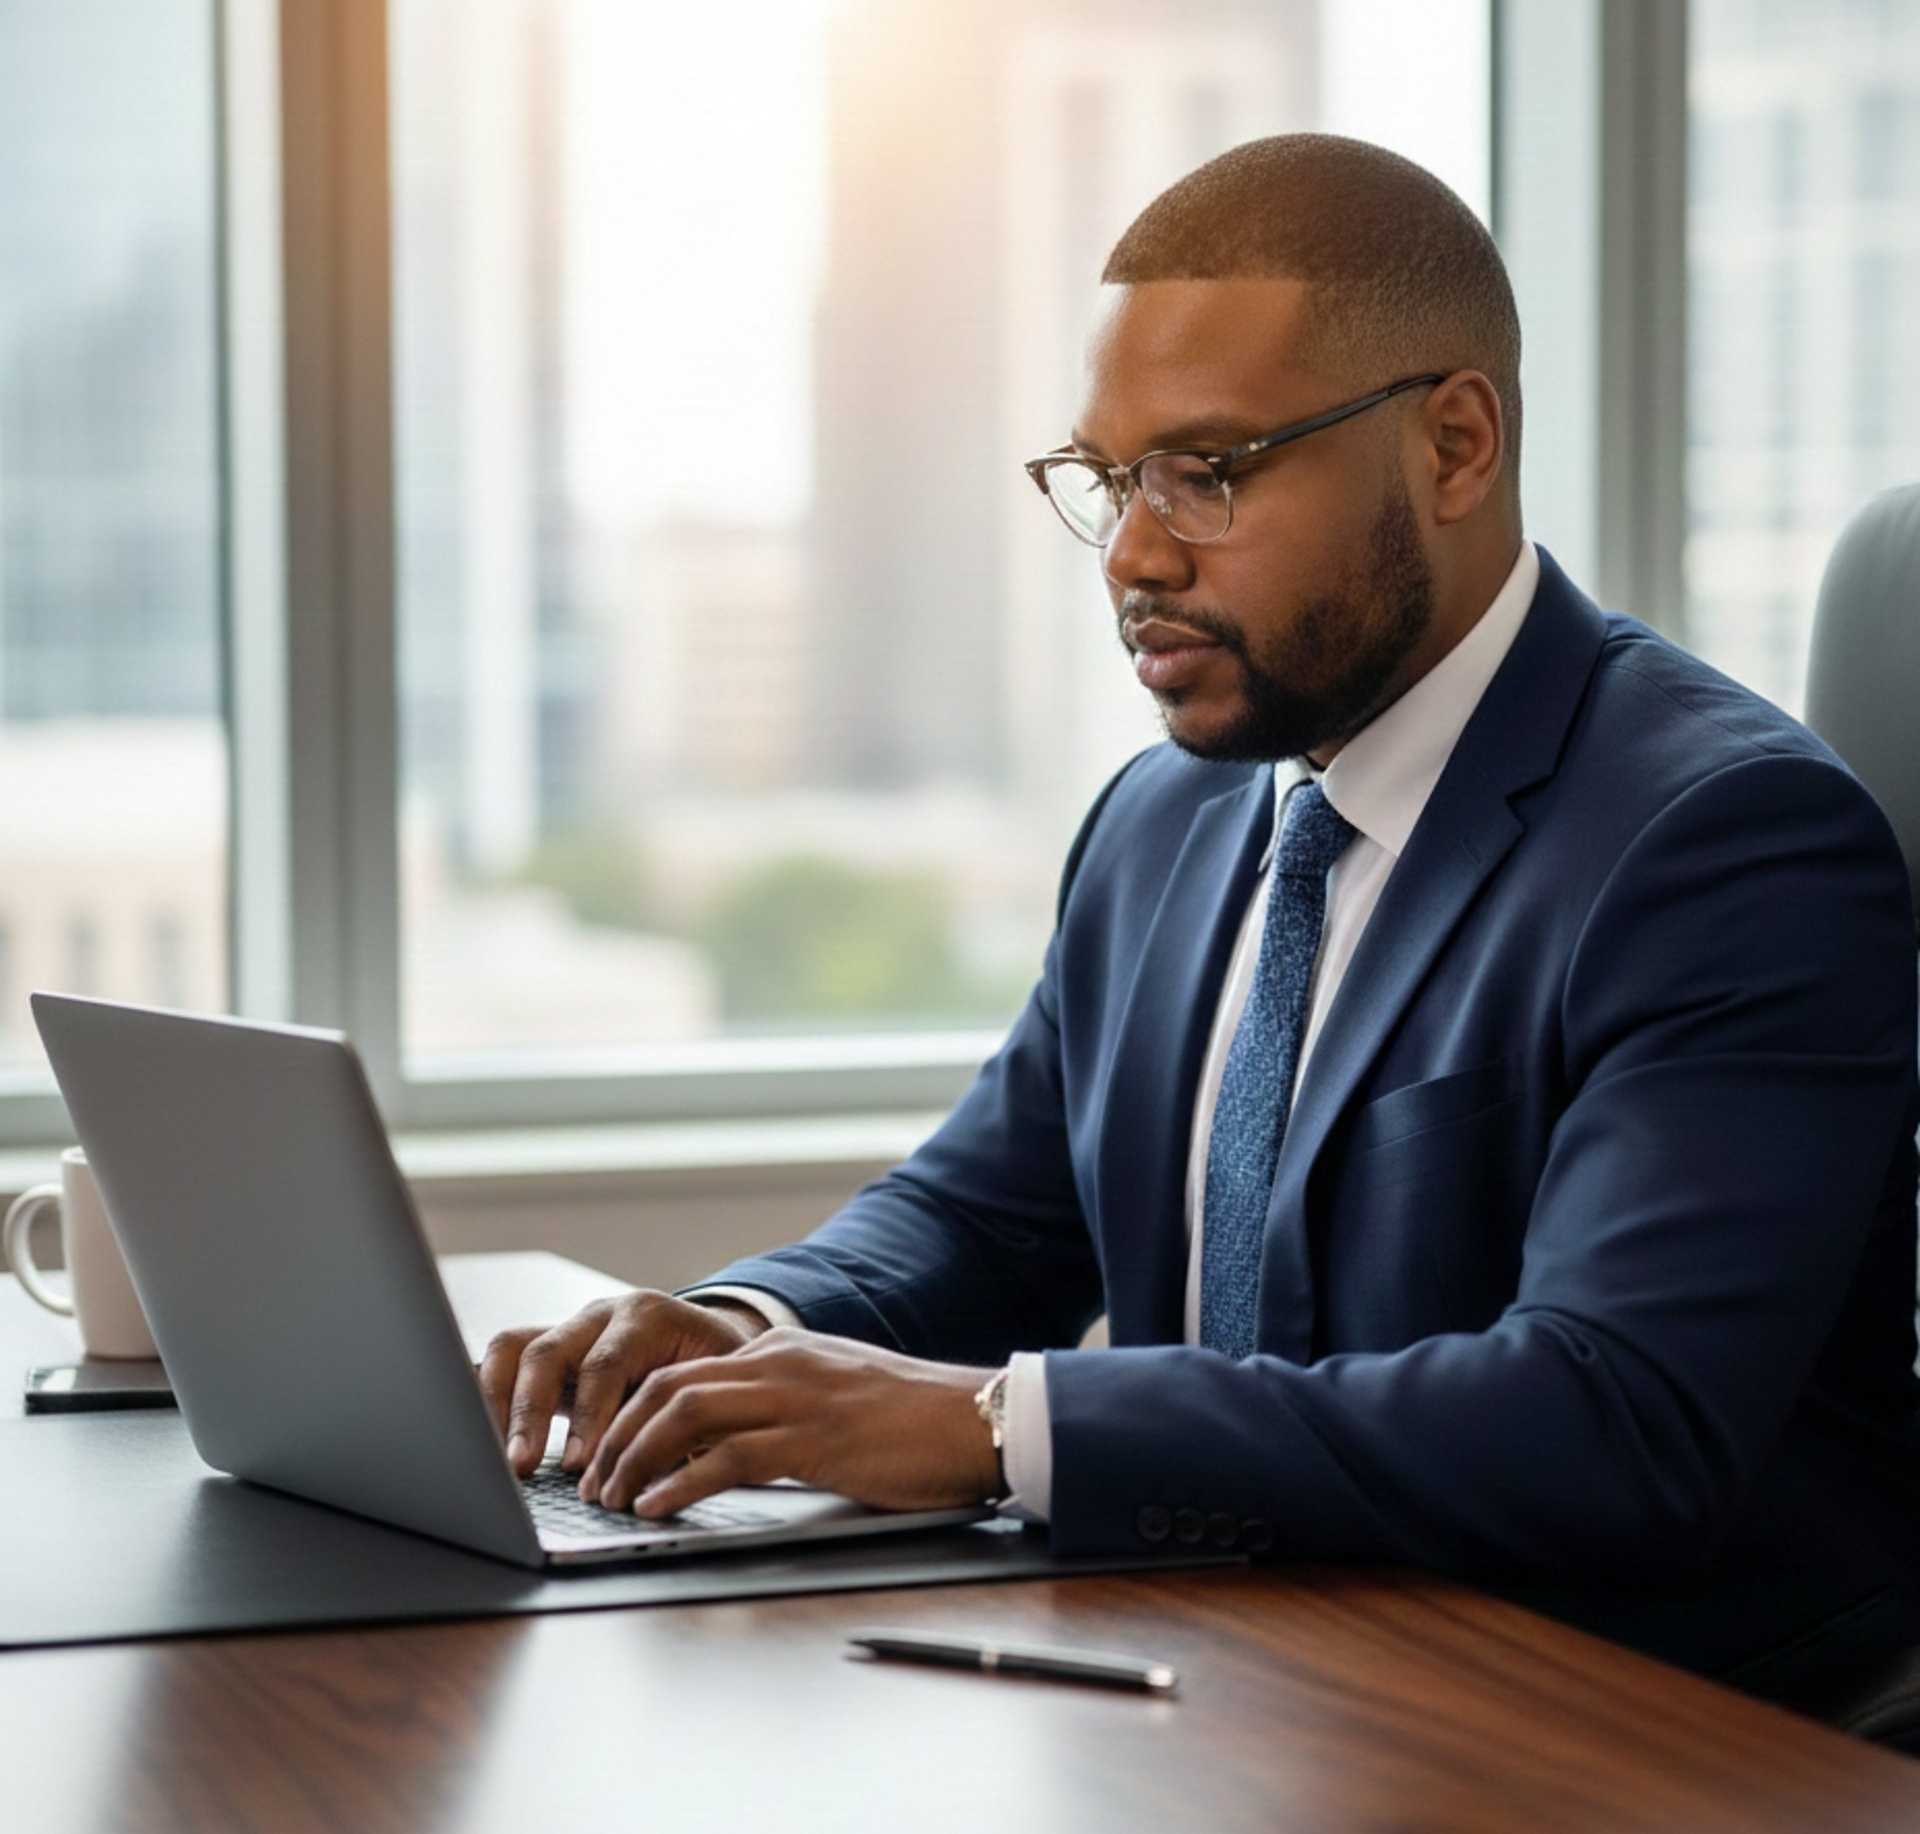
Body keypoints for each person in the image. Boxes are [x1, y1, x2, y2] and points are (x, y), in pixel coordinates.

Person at [481, 135, 1920, 1690]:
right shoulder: (1167, 818)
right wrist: (736, 1333)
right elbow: (985, 1215)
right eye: (1109, 479)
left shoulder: (1723, 841)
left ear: (1453, 447)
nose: (1137, 556)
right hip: (1249, 1685)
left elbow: (1616, 1419)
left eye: (1210, 473)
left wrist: (987, 1425)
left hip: (1641, 1733)